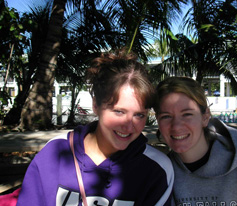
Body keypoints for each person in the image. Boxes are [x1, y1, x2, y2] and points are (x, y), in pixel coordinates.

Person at [17, 49, 174, 206]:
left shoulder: (155, 169)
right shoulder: (55, 153)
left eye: (139, 115)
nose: (128, 126)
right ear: (95, 105)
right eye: (119, 111)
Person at [153, 76, 237, 206]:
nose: (176, 126)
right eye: (166, 116)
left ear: (205, 117)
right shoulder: (162, 172)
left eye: (187, 114)